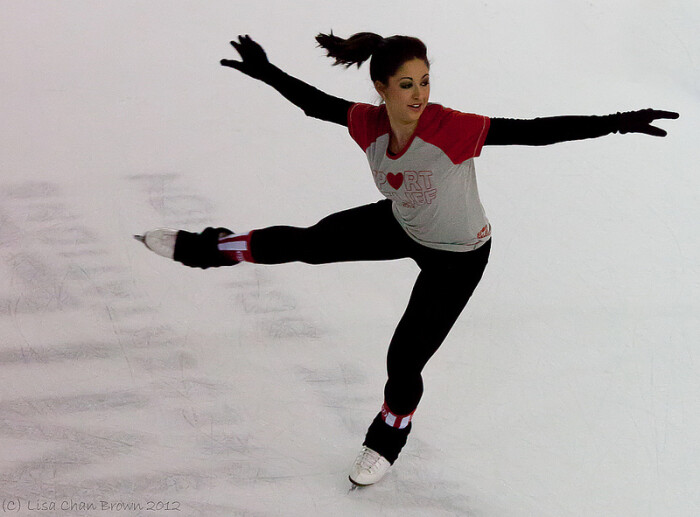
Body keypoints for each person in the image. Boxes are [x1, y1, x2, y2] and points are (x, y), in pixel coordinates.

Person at [138, 32, 678, 487]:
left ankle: (390, 433)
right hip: (400, 223)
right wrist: (266, 71)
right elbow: (313, 104)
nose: (418, 94)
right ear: (381, 89)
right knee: (305, 242)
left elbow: (536, 132)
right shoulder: (368, 124)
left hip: (458, 255)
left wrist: (619, 119)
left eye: (424, 81)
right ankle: (206, 248)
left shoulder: (454, 128)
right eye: (405, 84)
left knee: (404, 359)